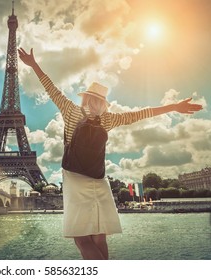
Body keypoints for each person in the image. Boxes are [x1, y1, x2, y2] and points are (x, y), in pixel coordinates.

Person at [18, 47, 203, 260]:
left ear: (86, 99)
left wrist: (33, 65)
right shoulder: (108, 120)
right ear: (103, 103)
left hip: (75, 178)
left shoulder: (71, 111)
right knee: (99, 237)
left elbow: (51, 88)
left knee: (81, 239)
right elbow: (141, 114)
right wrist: (173, 106)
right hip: (98, 180)